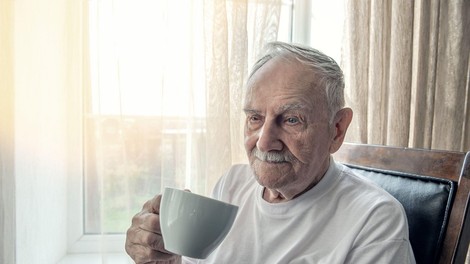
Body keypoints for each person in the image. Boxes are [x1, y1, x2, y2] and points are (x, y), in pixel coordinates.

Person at [125, 42, 416, 264]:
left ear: (337, 129)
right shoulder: (233, 184)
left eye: (291, 120)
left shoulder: (375, 218)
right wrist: (164, 256)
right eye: (254, 118)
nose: (264, 143)